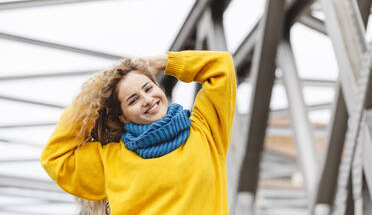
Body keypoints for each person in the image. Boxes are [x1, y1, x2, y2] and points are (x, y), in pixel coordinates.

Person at [41, 50, 237, 215]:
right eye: (133, 100)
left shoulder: (205, 131)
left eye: (149, 88)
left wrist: (159, 62)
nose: (148, 99)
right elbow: (55, 157)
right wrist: (92, 99)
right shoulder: (110, 160)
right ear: (123, 117)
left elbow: (221, 66)